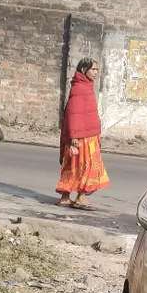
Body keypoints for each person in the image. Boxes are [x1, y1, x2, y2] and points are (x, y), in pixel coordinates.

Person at [56, 59, 109, 209]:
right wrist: (73, 136)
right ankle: (80, 197)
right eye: (93, 69)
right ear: (84, 69)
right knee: (84, 166)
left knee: (75, 166)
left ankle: (68, 197)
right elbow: (74, 113)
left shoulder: (85, 85)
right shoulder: (80, 87)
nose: (96, 73)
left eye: (97, 70)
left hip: (88, 134)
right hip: (81, 137)